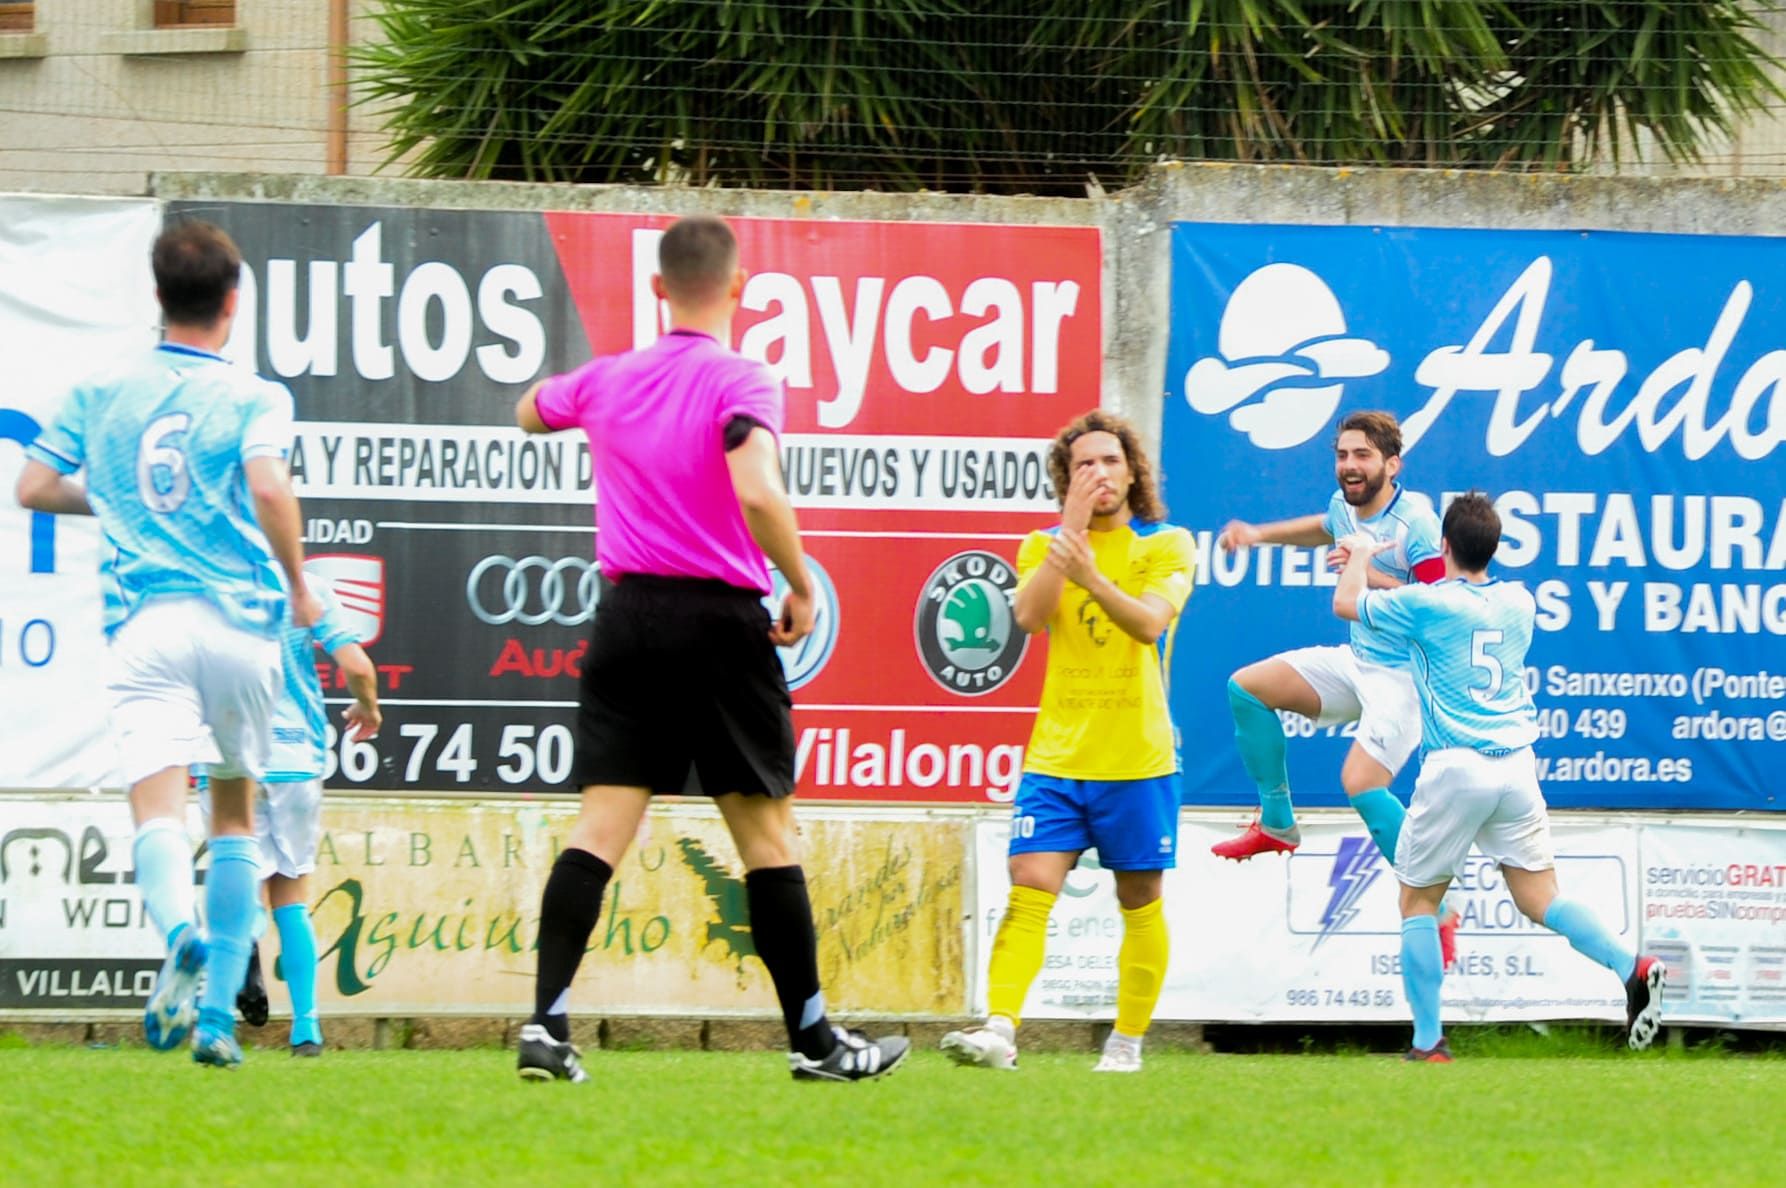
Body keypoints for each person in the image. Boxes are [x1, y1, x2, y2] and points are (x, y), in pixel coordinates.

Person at [509, 215, 906, 1083]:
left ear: (658, 290)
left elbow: (531, 410)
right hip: (719, 623)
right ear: (738, 288)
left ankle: (544, 1026)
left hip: (628, 618)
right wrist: (799, 582)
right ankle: (815, 1042)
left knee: (600, 829)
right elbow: (757, 487)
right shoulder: (741, 379)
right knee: (766, 838)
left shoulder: (610, 379)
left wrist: (587, 403)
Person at [15, 218, 319, 1069]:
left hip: (146, 627)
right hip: (242, 630)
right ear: (232, 301)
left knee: (156, 807)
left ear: (158, 298)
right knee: (234, 812)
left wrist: (116, 507)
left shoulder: (103, 388)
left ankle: (177, 931)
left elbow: (32, 486)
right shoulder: (257, 395)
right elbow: (266, 483)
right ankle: (217, 1022)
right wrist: (297, 581)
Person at [1333, 493, 1665, 1061]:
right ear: (1493, 547)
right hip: (1515, 765)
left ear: (1442, 546)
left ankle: (1427, 1042)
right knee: (1541, 897)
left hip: (1455, 767)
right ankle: (1628, 965)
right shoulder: (1518, 600)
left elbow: (1347, 603)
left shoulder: (1426, 604)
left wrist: (1362, 554)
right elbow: (1441, 603)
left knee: (1417, 901)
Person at [942, 410, 1196, 1073]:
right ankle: (1000, 1029)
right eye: (1083, 464)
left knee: (1139, 900)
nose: (1099, 473)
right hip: (1057, 756)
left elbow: (1148, 624)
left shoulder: (1167, 545)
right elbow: (1026, 617)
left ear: (1133, 472)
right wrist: (1071, 538)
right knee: (1029, 883)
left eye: (1110, 461)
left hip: (1136, 759)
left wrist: (1094, 575)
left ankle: (1127, 1042)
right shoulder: (1040, 545)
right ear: (1065, 480)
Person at [1210, 412, 1460, 960]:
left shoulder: (1416, 521)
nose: (1349, 465)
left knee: (1362, 784)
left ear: (1392, 465)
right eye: (1343, 455)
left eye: (1363, 456)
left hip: (1405, 678)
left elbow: (1444, 608)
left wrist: (1368, 573)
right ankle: (1277, 823)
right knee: (1247, 689)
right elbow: (1325, 527)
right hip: (1359, 661)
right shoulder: (1344, 503)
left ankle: (1435, 905)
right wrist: (1259, 535)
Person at [202, 575, 381, 1056]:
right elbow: (357, 666)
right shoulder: (306, 586)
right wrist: (368, 708)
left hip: (228, 752)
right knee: (292, 893)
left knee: (239, 882)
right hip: (295, 756)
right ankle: (306, 1029)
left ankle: (230, 993)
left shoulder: (209, 578)